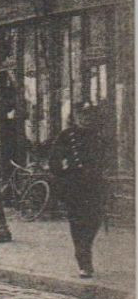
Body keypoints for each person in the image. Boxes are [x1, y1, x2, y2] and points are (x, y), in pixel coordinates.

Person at [49, 103, 108, 279]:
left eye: (89, 115)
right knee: (78, 222)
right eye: (82, 115)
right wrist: (65, 177)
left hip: (95, 185)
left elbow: (108, 158)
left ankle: (85, 247)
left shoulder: (98, 136)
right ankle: (84, 260)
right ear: (75, 117)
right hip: (75, 187)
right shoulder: (67, 136)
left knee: (95, 219)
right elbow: (54, 161)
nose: (85, 119)